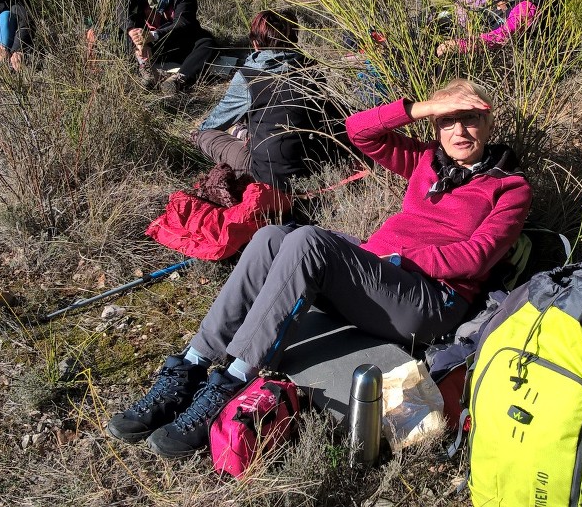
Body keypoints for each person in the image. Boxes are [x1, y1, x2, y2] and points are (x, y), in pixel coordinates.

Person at [106, 79, 532, 458]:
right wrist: (420, 108)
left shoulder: (510, 187)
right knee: (273, 237)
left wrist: (397, 259)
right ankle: (192, 365)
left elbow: (477, 256)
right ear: (436, 126)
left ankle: (232, 381)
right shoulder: (426, 161)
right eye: (448, 120)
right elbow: (359, 131)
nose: (459, 131)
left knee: (311, 242)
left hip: (429, 300)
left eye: (471, 119)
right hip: (382, 278)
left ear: (489, 123)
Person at [190, 9, 344, 191]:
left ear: (255, 43)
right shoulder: (311, 68)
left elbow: (215, 123)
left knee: (204, 135)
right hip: (313, 166)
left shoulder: (250, 76)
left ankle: (237, 134)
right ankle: (242, 133)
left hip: (268, 176)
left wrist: (200, 129)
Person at [121, 0, 216, 94]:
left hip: (172, 39)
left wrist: (153, 35)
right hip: (145, 44)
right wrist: (134, 33)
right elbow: (123, 8)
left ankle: (178, 80)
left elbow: (184, 20)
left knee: (206, 42)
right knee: (117, 33)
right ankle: (146, 70)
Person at [436, 0, 541, 57]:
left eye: (496, 1)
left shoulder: (526, 9)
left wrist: (460, 44)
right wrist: (467, 27)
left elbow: (501, 36)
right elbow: (461, 3)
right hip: (475, 39)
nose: (495, 5)